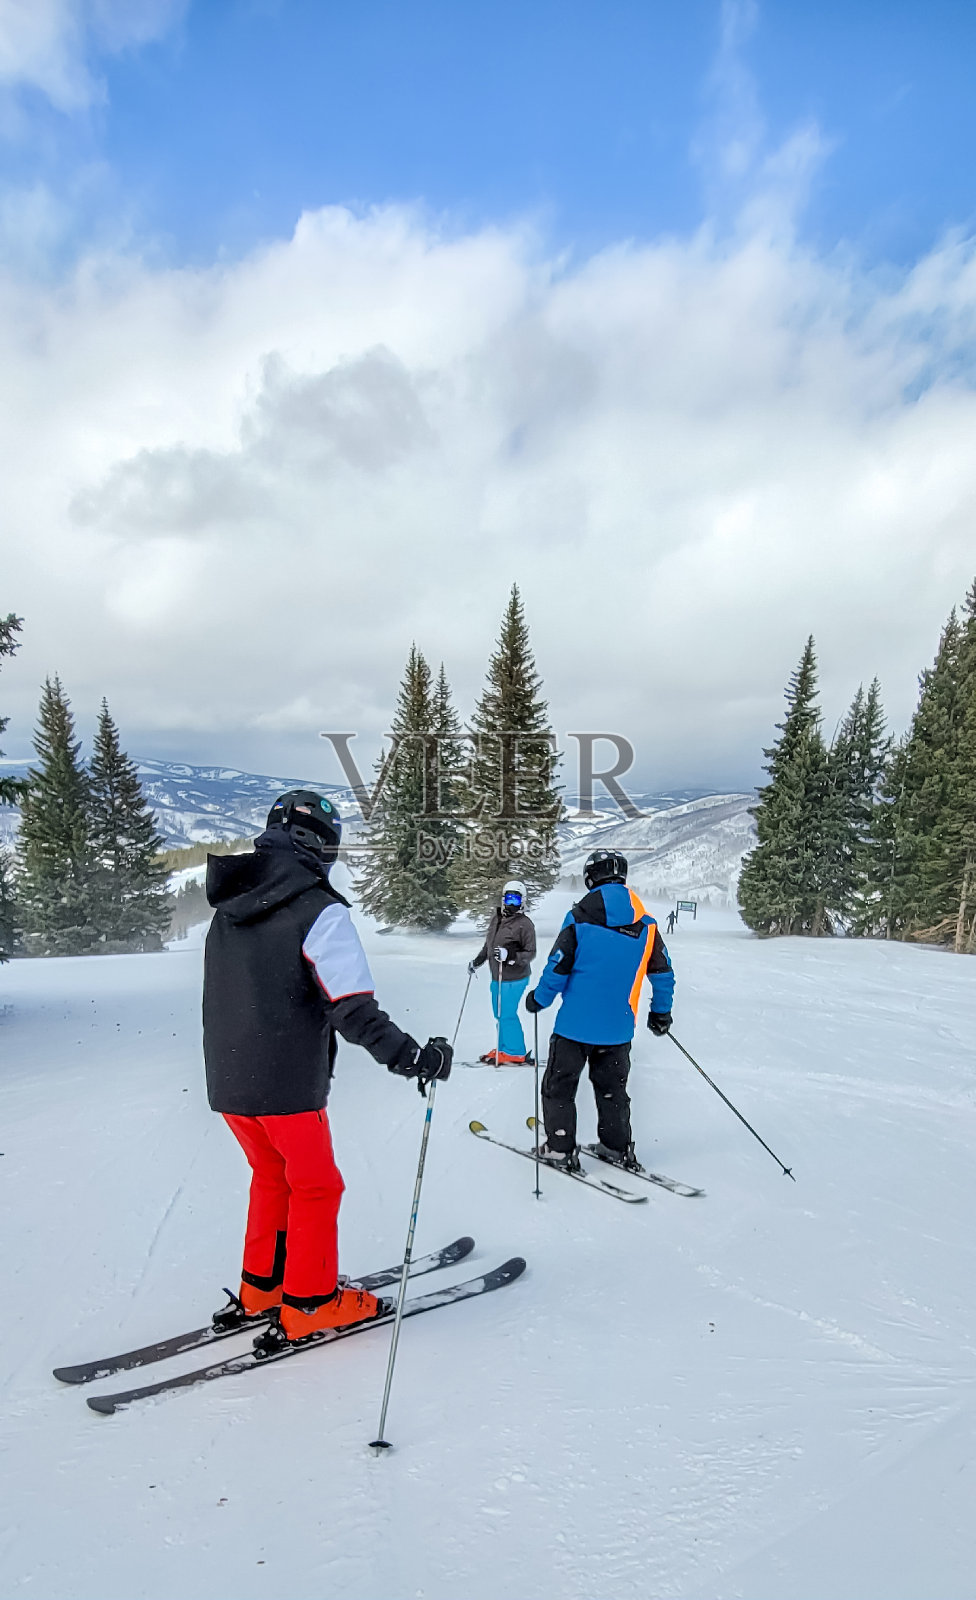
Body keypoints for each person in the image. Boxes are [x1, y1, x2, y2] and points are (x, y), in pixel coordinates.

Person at [203, 789, 452, 1348]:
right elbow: (352, 1007)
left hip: (230, 1079)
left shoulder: (232, 903)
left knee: (272, 1178)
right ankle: (311, 1303)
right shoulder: (319, 910)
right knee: (317, 1187)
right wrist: (414, 1058)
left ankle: (263, 1291)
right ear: (321, 844)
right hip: (287, 1083)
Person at [525, 849, 674, 1171]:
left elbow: (558, 967)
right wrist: (661, 1013)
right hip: (618, 1027)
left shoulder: (578, 917)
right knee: (612, 1091)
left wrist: (540, 998)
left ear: (591, 877)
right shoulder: (647, 926)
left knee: (559, 1087)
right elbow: (663, 974)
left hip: (574, 1027)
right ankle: (616, 1147)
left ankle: (560, 1148)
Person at [468, 879, 537, 1064]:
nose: (511, 903)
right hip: (496, 976)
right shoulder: (497, 919)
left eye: (516, 899)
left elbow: (530, 953)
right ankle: (504, 1048)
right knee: (499, 1014)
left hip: (514, 978)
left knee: (507, 1013)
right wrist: (478, 961)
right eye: (508, 899)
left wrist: (511, 956)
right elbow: (489, 945)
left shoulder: (525, 924)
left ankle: (515, 1051)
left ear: (523, 901)